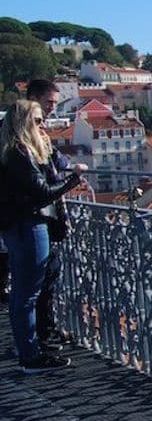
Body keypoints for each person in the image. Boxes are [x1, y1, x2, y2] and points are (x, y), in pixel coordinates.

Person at [0, 100, 86, 373]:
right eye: (37, 121)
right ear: (23, 122)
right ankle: (30, 357)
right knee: (27, 293)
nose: (42, 125)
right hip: (29, 224)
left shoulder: (11, 152)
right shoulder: (18, 153)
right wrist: (74, 180)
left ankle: (29, 350)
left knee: (22, 293)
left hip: (18, 225)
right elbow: (42, 192)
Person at [24, 79, 74, 349]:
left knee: (42, 279)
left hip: (37, 215)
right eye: (49, 103)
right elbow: (53, 165)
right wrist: (73, 178)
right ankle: (37, 341)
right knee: (38, 281)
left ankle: (42, 334)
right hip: (34, 215)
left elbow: (57, 160)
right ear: (33, 99)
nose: (53, 109)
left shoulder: (33, 129)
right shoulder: (24, 131)